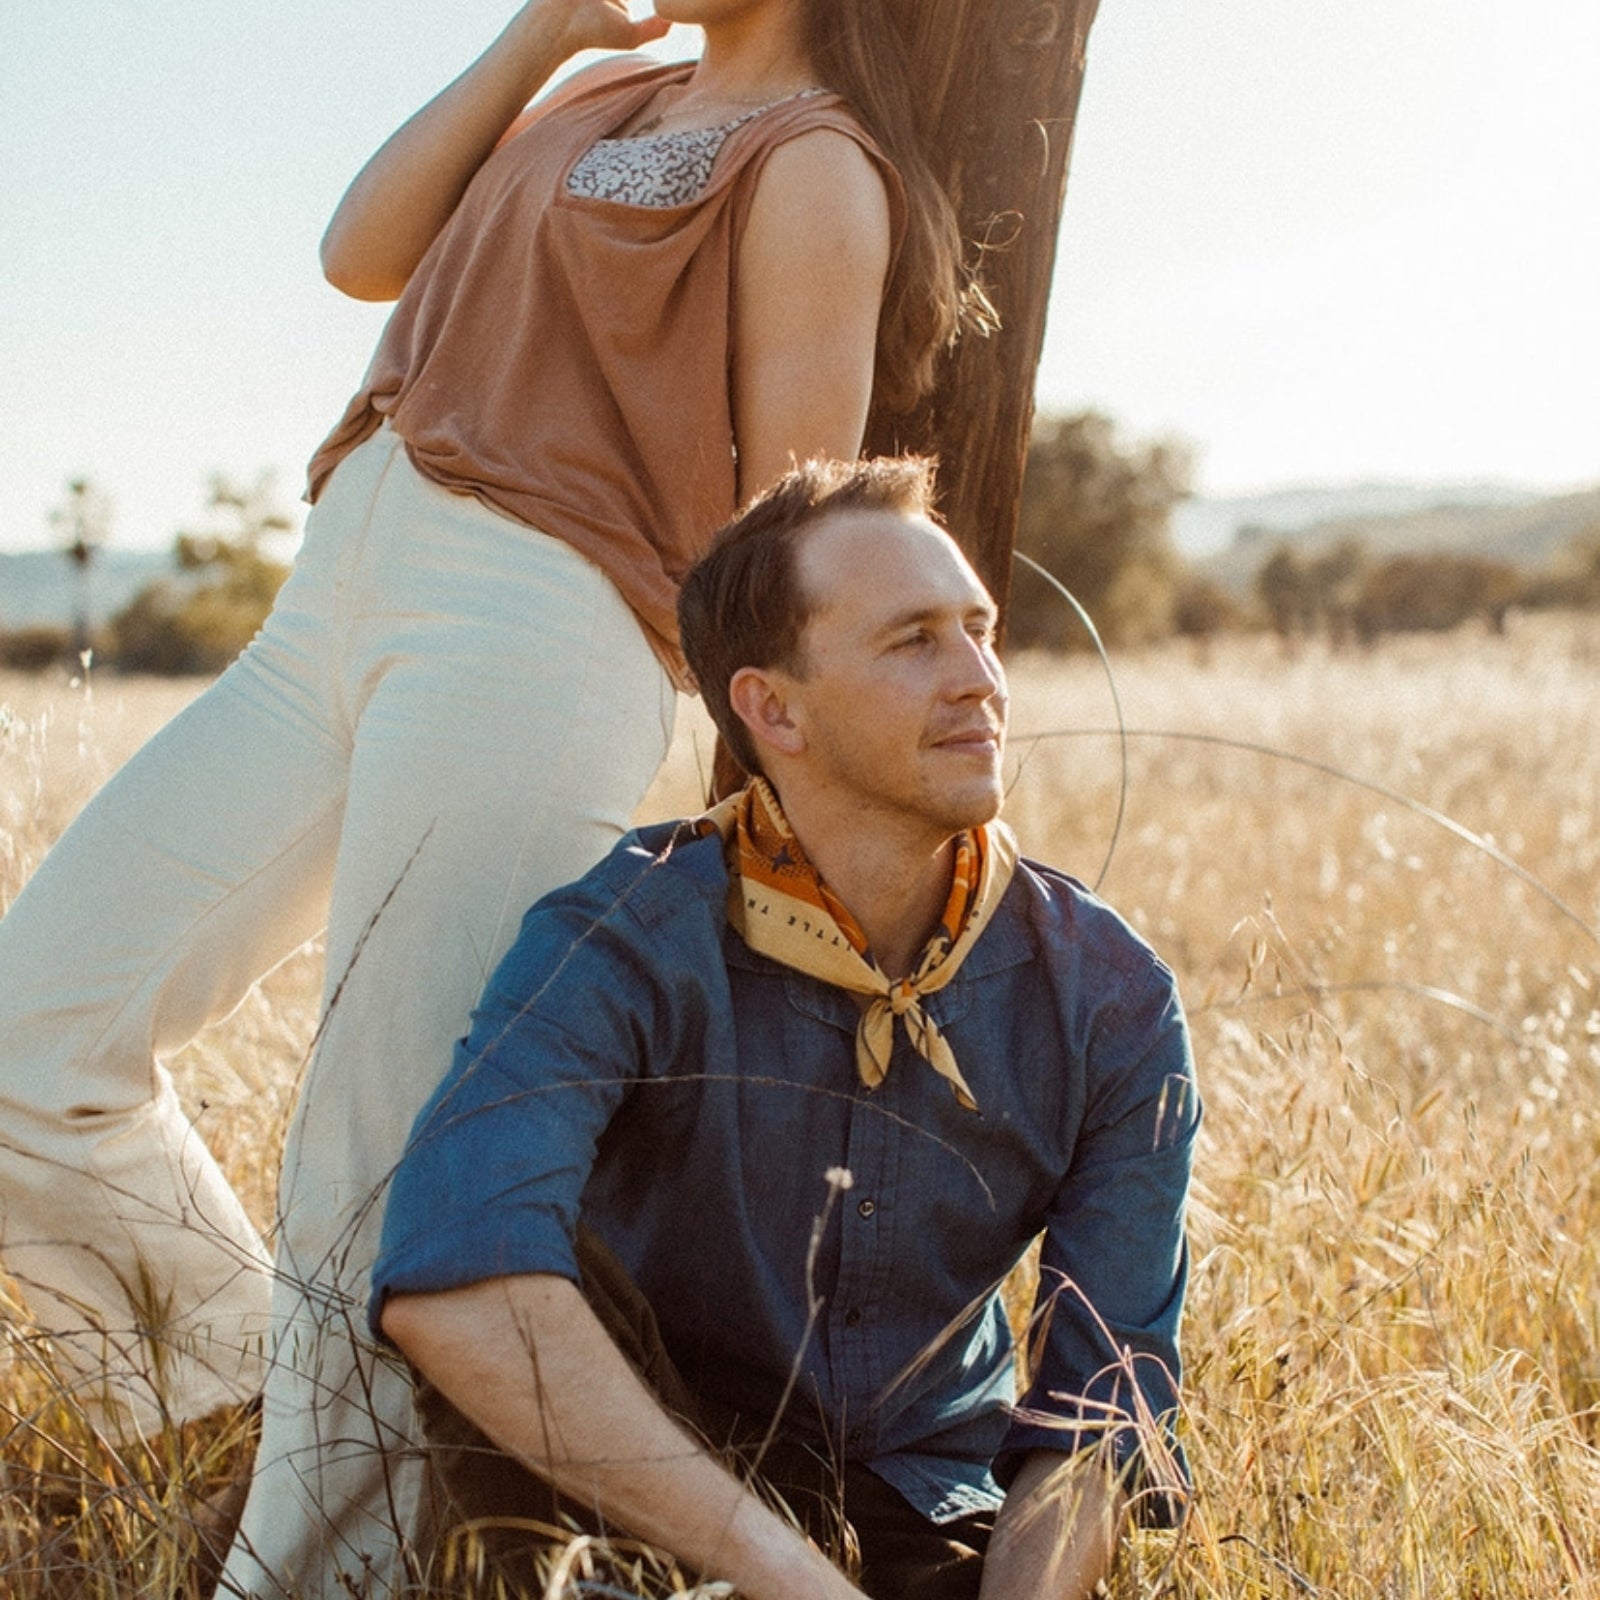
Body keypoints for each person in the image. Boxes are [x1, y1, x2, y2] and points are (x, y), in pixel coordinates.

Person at [0, 4, 983, 1594]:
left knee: (373, 1155)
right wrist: (540, 32)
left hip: (538, 631)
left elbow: (793, 545)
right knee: (32, 1033)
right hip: (339, 590)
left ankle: (331, 1562)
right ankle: (254, 1408)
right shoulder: (602, 85)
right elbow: (357, 250)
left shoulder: (815, 169)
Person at [373, 457, 1200, 1600]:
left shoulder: (1108, 994)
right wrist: (796, 1583)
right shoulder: (620, 937)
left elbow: (1098, 1409)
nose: (980, 681)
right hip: (650, 1493)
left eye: (979, 629)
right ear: (771, 706)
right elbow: (453, 1284)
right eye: (914, 640)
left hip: (931, 1507)